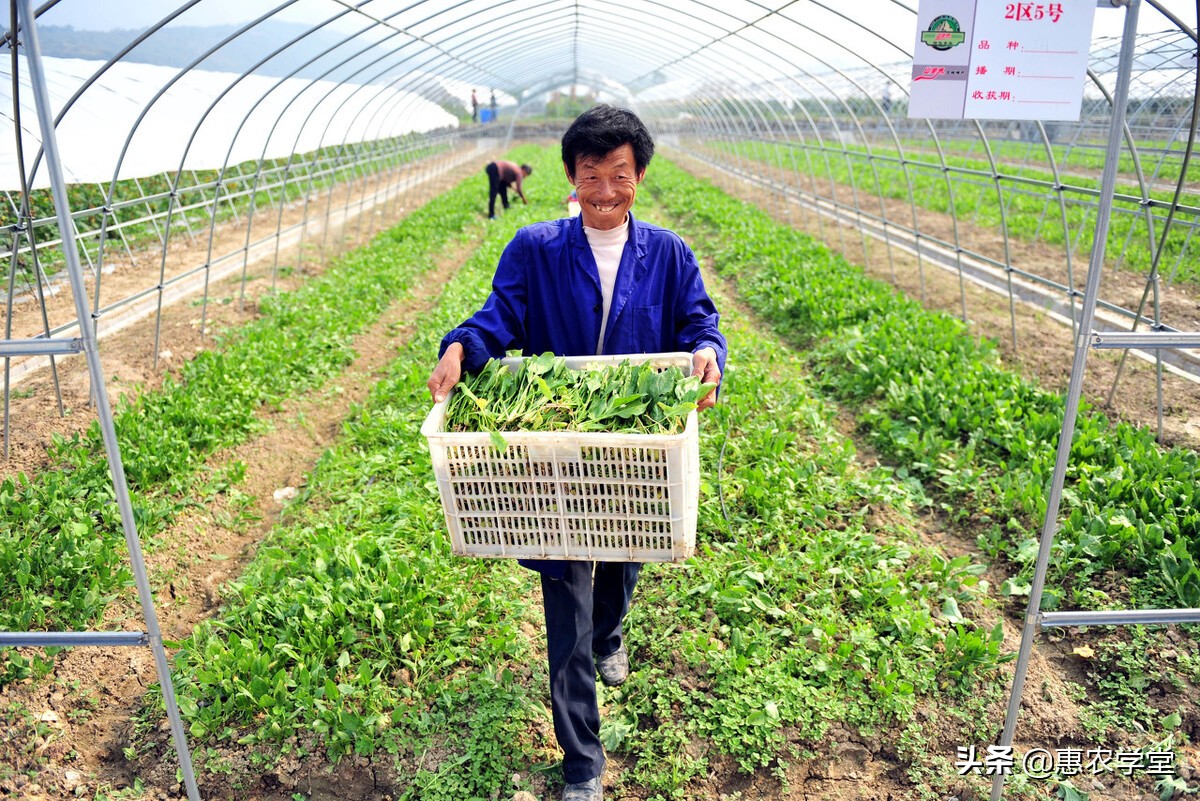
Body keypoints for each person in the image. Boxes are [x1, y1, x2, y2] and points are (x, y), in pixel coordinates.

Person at [427, 104, 725, 801]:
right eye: (591, 175)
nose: (604, 191)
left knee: (626, 557)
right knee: (565, 596)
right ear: (570, 175)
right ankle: (582, 762)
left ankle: (613, 630)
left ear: (639, 176)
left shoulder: (670, 253)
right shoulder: (535, 248)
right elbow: (499, 314)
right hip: (556, 452)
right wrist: (464, 345)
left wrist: (708, 355)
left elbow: (699, 322)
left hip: (632, 450)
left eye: (619, 175)